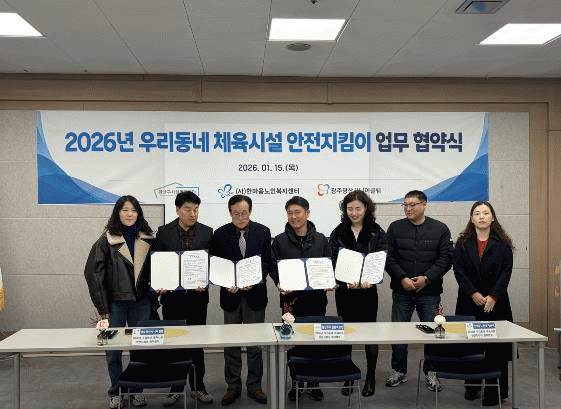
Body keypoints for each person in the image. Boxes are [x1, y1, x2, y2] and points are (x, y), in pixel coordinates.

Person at [84, 195, 154, 409]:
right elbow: (93, 274)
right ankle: (116, 392)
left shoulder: (149, 239)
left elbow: (158, 270)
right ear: (117, 213)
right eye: (125, 210)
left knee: (139, 350)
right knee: (113, 350)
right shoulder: (105, 240)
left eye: (133, 210)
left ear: (138, 213)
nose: (129, 214)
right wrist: (103, 308)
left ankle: (136, 391)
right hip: (114, 305)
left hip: (141, 302)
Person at [384, 190, 453, 392]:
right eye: (405, 205)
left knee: (433, 332)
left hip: (429, 292)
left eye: (412, 205)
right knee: (398, 332)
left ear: (424, 205)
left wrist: (427, 278)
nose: (408, 208)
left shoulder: (440, 229)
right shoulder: (395, 227)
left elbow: (446, 258)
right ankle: (399, 370)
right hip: (402, 291)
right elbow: (388, 257)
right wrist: (402, 278)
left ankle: (432, 372)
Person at [152, 191, 214, 406]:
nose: (192, 214)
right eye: (187, 209)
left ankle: (199, 387)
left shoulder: (207, 232)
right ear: (178, 209)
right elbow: (157, 263)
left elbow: (212, 264)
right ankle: (175, 388)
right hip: (172, 300)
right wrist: (159, 284)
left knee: (197, 344)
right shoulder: (163, 232)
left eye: (196, 209)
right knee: (175, 345)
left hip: (198, 299)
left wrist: (207, 280)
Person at [210, 195, 271, 406]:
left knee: (254, 345)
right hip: (230, 296)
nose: (240, 216)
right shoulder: (220, 234)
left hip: (255, 295)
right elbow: (216, 264)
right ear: (230, 213)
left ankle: (255, 386)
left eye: (244, 212)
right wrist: (225, 282)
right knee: (231, 345)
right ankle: (233, 386)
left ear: (250, 211)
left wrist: (254, 279)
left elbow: (267, 262)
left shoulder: (263, 232)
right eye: (236, 213)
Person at [271, 196, 331, 402]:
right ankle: (296, 382)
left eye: (297, 212)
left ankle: (314, 383)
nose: (294, 217)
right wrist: (279, 281)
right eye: (290, 213)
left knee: (315, 341)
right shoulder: (279, 240)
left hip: (316, 300)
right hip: (291, 302)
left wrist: (328, 281)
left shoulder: (321, 240)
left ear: (307, 213)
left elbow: (328, 264)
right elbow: (273, 266)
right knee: (292, 342)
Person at [453, 201, 513, 406]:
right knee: (472, 347)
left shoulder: (503, 244)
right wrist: (473, 293)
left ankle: (494, 392)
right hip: (469, 302)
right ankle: (471, 386)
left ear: (492, 217)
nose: (481, 216)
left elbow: (506, 272)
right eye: (477, 213)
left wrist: (494, 295)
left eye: (486, 213)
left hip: (496, 304)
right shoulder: (462, 243)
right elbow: (459, 271)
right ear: (471, 219)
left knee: (497, 350)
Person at [329, 190, 386, 398]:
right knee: (347, 334)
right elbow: (332, 261)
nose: (354, 213)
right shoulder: (338, 232)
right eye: (350, 209)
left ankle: (370, 376)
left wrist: (371, 279)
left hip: (368, 293)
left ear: (366, 208)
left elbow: (382, 259)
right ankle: (349, 376)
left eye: (358, 209)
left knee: (369, 335)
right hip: (345, 293)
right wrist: (343, 280)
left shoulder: (376, 231)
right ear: (345, 210)